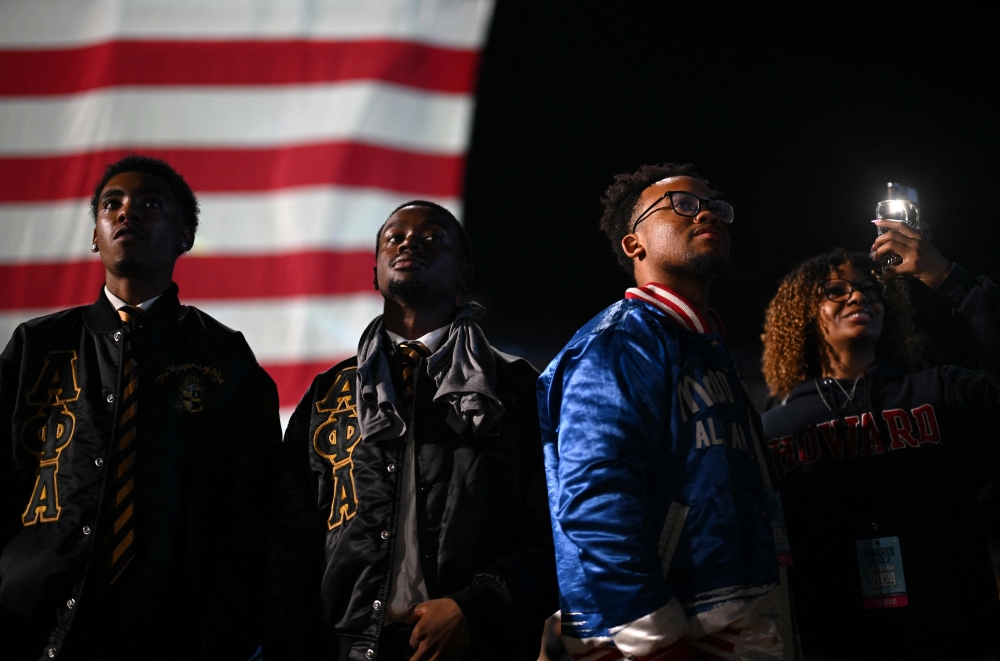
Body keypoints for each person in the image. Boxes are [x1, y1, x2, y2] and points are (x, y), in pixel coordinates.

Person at [0, 155, 282, 659]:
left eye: (151, 204)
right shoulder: (37, 347)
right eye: (113, 204)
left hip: (172, 633)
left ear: (184, 237)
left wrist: (225, 632)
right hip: (33, 625)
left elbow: (254, 508)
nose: (127, 213)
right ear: (94, 236)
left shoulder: (223, 358)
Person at [266, 200, 557, 661]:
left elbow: (554, 530)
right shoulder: (328, 394)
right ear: (375, 272)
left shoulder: (516, 389)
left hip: (476, 645)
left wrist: (473, 607)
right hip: (346, 646)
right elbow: (287, 537)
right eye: (394, 237)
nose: (409, 243)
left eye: (433, 237)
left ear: (464, 273)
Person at [538, 164, 795, 661]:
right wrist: (653, 637)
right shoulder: (619, 340)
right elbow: (594, 496)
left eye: (715, 207)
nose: (707, 214)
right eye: (682, 204)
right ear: (635, 245)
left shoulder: (704, 347)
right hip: (668, 636)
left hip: (733, 619)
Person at [760, 225, 1000, 660]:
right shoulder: (773, 431)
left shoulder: (940, 392)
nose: (857, 297)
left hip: (954, 640)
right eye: (835, 290)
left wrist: (946, 277)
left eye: (870, 290)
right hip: (832, 643)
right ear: (803, 315)